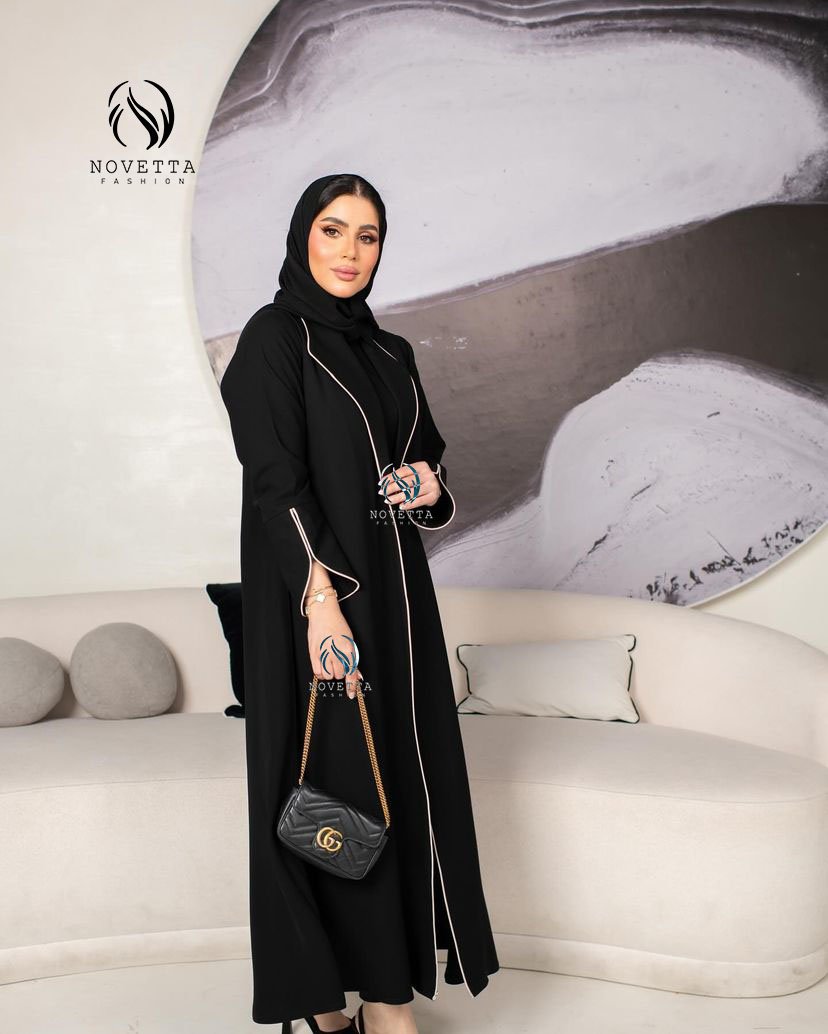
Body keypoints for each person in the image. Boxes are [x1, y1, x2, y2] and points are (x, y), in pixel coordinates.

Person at [219, 173, 499, 1034]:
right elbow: (276, 482)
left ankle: (379, 997)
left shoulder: (391, 353)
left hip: (398, 601)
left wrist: (427, 487)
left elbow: (428, 467)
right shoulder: (275, 339)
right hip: (313, 603)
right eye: (333, 230)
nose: (349, 251)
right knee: (333, 786)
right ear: (303, 235)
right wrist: (322, 603)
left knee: (394, 782)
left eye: (367, 236)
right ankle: (339, 1000)